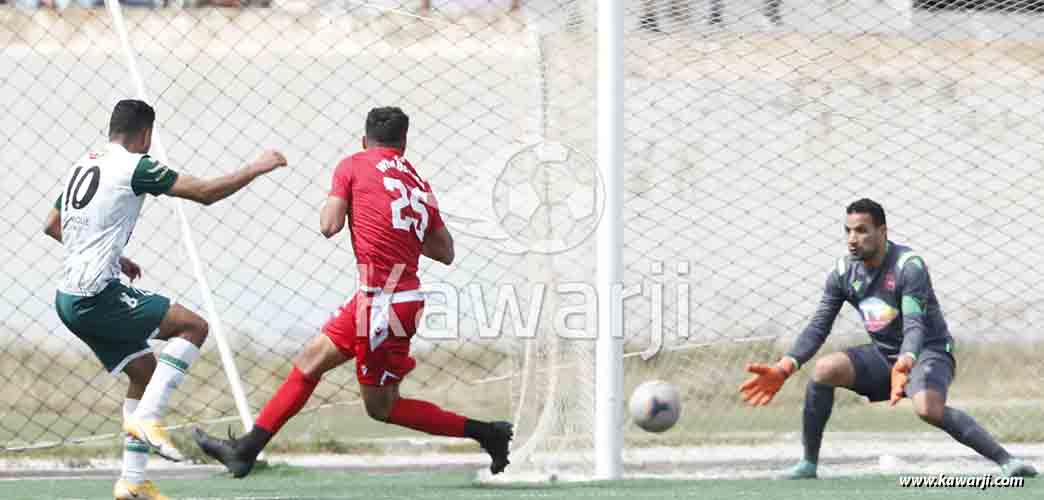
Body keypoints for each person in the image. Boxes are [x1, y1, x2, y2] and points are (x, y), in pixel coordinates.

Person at [192, 106, 513, 478]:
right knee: (311, 360)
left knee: (382, 408)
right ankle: (245, 450)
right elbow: (446, 252)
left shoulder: (352, 164)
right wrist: (402, 233)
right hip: (378, 297)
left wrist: (350, 206)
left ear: (365, 140)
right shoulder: (417, 182)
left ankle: (490, 434)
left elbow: (329, 225)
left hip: (384, 304)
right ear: (403, 144)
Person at [43, 99, 287, 500]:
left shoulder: (84, 163)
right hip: (96, 297)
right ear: (146, 134)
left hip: (68, 298)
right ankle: (150, 420)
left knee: (143, 372)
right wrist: (257, 166)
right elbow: (206, 193)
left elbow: (53, 225)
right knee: (193, 326)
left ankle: (133, 482)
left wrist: (113, 256)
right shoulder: (135, 166)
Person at [739, 198, 1037, 480]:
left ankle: (1007, 461)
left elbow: (914, 325)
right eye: (848, 231)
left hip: (926, 353)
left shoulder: (909, 266)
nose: (852, 239)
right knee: (825, 370)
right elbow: (819, 325)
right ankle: (808, 463)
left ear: (882, 232)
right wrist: (786, 365)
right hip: (884, 356)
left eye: (862, 230)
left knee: (927, 409)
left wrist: (906, 362)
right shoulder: (843, 272)